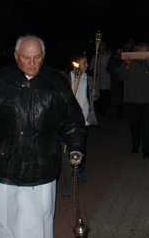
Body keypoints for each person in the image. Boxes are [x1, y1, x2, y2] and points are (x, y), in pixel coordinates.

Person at [0, 35, 86, 237]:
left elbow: (72, 119)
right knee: (3, 220)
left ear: (43, 56)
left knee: (38, 222)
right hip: (5, 164)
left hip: (42, 163)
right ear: (16, 56)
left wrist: (76, 146)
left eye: (36, 57)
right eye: (26, 57)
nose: (31, 63)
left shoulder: (55, 83)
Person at [119, 42, 149, 158]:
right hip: (132, 99)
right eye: (144, 51)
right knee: (134, 125)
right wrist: (126, 65)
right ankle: (135, 145)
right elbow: (121, 77)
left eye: (148, 51)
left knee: (147, 126)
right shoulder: (129, 61)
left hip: (147, 100)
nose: (146, 53)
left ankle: (146, 149)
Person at [60, 54, 92, 197]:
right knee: (67, 153)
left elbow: (87, 97)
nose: (87, 66)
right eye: (84, 63)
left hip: (83, 120)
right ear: (76, 64)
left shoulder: (86, 78)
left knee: (81, 148)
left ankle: (80, 172)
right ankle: (66, 184)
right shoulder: (68, 79)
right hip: (69, 122)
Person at [90, 42, 112, 117]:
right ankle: (98, 110)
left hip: (106, 79)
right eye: (101, 47)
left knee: (104, 95)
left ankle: (104, 110)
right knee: (97, 95)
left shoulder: (108, 56)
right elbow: (91, 67)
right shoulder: (96, 56)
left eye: (103, 47)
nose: (102, 49)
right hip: (98, 79)